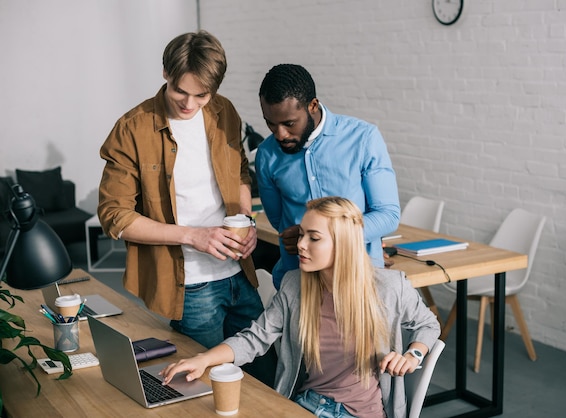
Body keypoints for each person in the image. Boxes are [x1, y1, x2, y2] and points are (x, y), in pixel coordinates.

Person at [161, 196, 440, 418]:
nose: (301, 245)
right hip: (304, 404)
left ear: (343, 243)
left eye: (314, 238)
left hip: (358, 413)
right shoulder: (296, 285)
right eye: (302, 234)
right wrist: (203, 359)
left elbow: (428, 324)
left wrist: (413, 354)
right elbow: (255, 338)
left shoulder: (389, 287)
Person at [97, 31, 271, 378]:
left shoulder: (225, 112)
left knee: (263, 375)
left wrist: (246, 222)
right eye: (180, 91)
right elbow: (114, 216)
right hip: (190, 286)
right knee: (203, 384)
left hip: (239, 274)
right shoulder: (132, 128)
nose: (189, 104)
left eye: (201, 95)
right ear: (165, 73)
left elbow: (239, 173)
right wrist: (194, 236)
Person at [255, 64, 401, 289]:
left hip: (358, 281)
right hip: (298, 283)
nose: (280, 134)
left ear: (312, 105)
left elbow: (388, 214)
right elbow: (279, 220)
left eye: (289, 123)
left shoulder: (363, 139)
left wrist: (328, 236)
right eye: (271, 124)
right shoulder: (267, 153)